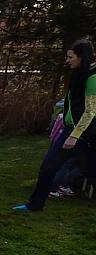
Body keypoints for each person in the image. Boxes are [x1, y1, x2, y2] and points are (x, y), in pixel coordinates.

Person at [14, 39, 96, 212]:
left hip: (85, 134)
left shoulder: (93, 77)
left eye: (70, 57)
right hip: (69, 129)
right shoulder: (78, 74)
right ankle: (35, 205)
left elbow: (90, 111)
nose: (67, 61)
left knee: (91, 171)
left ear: (82, 57)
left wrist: (75, 135)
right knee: (48, 167)